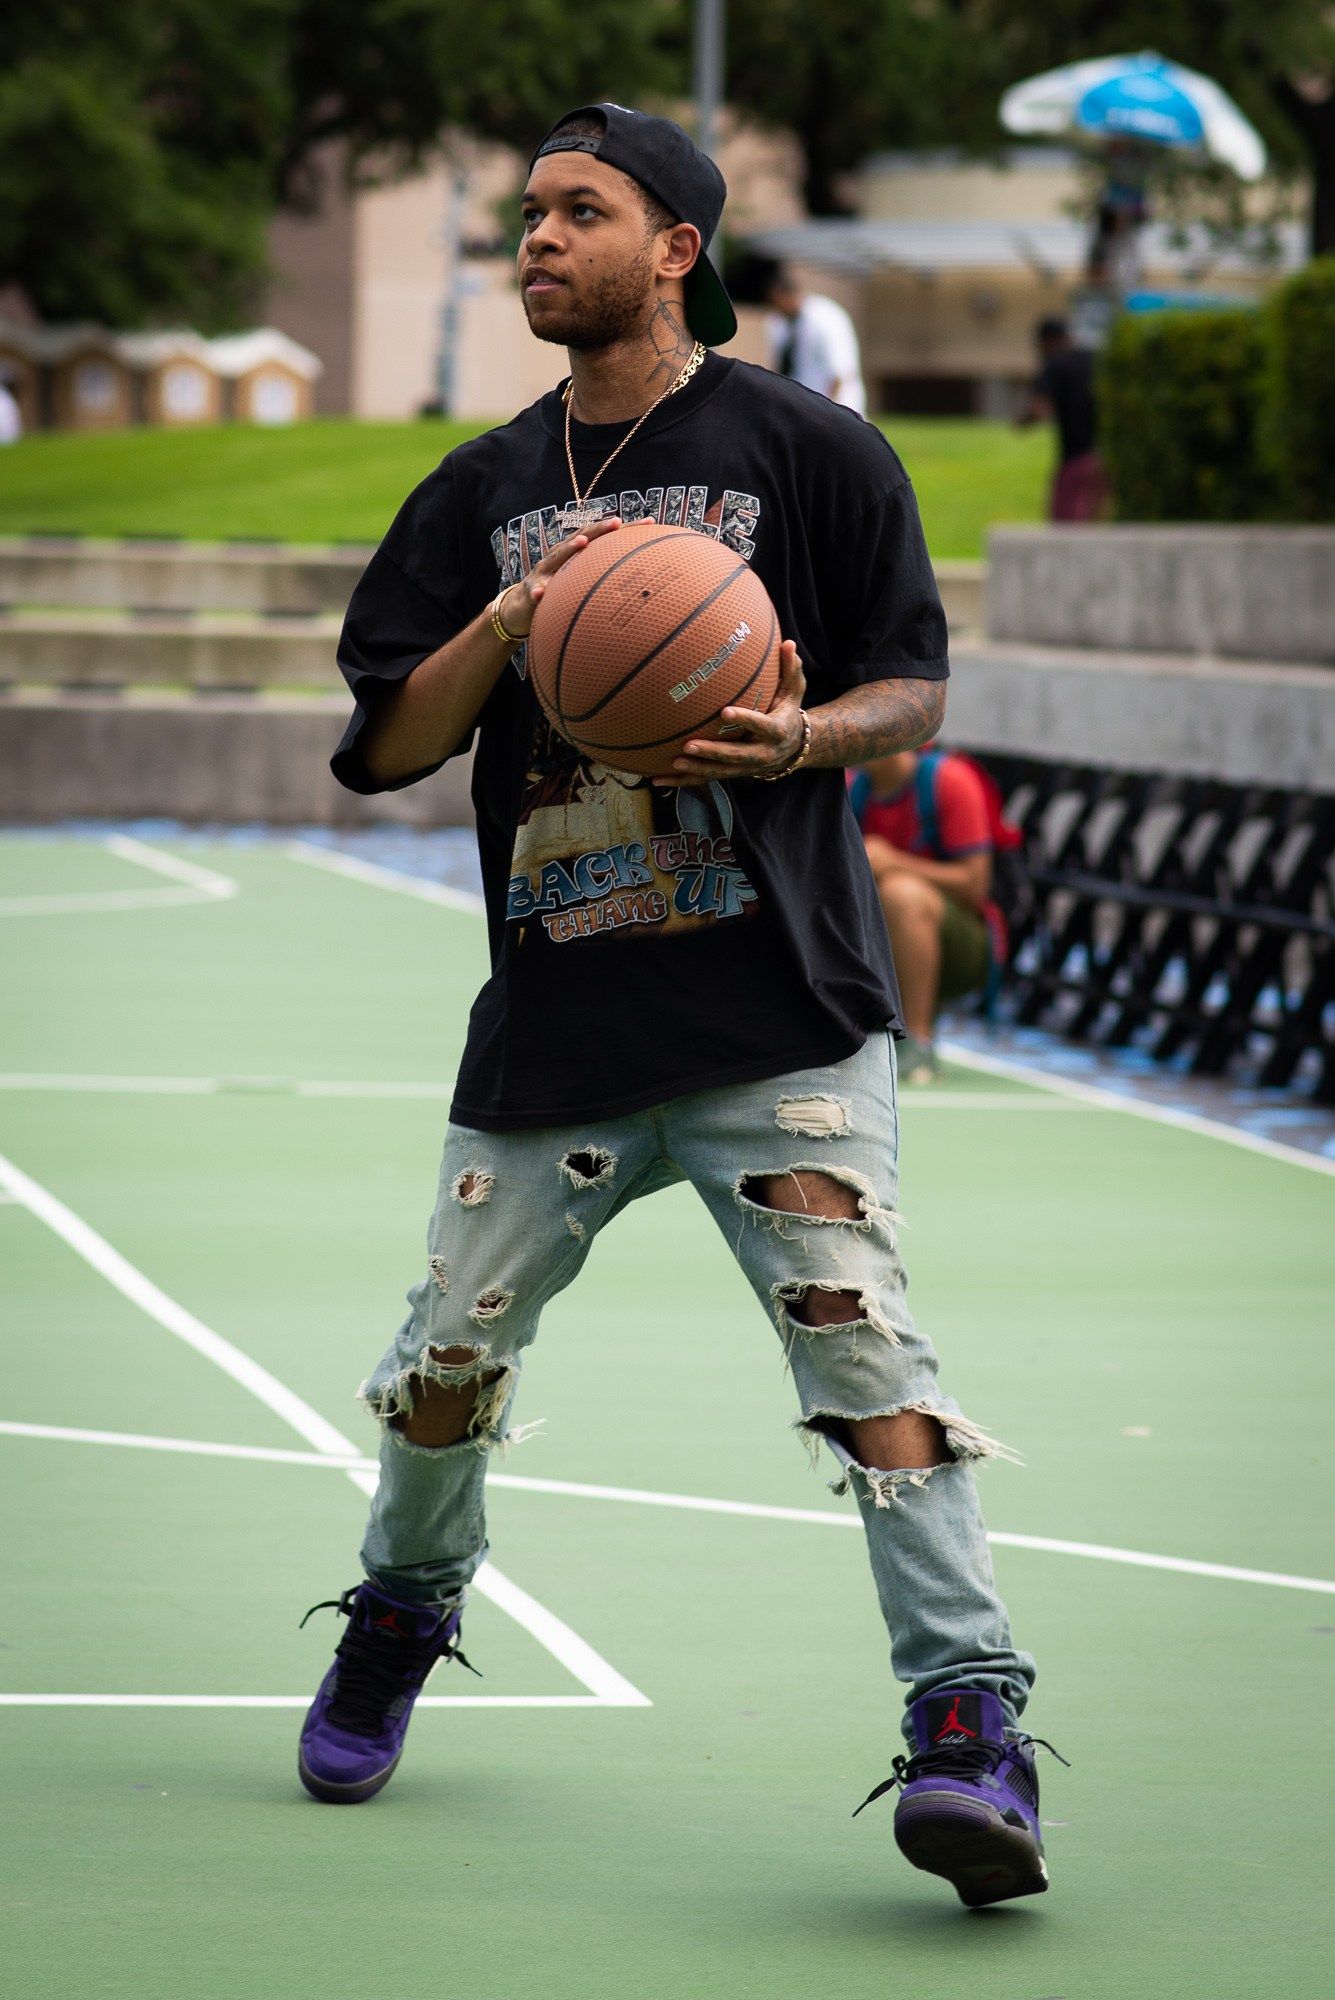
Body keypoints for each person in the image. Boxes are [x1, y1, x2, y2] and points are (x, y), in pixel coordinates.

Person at [301, 101, 1056, 1911]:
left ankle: (971, 1729)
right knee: (439, 1378)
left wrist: (800, 732)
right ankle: (404, 1614)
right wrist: (518, 623)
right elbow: (384, 743)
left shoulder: (813, 451)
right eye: (528, 211)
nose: (537, 237)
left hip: (780, 1022)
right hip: (557, 1029)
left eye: (583, 210)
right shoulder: (479, 488)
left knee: (866, 1360)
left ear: (678, 246)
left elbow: (912, 693)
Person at [853, 746, 1004, 1083]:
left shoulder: (950, 779)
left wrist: (894, 862)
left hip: (963, 949)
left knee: (901, 894)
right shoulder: (851, 788)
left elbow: (976, 884)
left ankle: (917, 1042)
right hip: (880, 942)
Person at [1016, 317, 1108, 523]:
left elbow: (1040, 409)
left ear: (1046, 341)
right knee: (1092, 525)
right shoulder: (1093, 359)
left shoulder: (1055, 364)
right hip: (1104, 457)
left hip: (1076, 458)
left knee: (1065, 526)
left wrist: (1022, 421)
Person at [762, 261, 866, 415]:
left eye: (776, 301)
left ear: (785, 295)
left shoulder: (824, 317)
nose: (774, 306)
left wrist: (828, 411)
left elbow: (839, 372)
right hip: (801, 407)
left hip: (835, 406)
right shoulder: (778, 324)